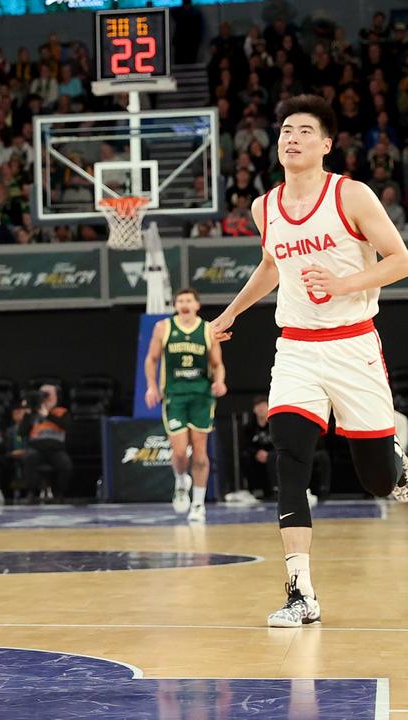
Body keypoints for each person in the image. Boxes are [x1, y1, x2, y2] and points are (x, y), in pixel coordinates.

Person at [209, 95, 408, 628]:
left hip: (353, 344)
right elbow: (272, 266)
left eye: (303, 131)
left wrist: (345, 282)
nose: (291, 138)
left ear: (325, 144)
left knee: (377, 481)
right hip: (295, 348)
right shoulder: (264, 207)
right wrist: (226, 315)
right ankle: (300, 591)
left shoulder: (352, 195)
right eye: (284, 131)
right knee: (289, 456)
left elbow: (400, 259)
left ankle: (398, 463)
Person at [143, 288, 228, 523]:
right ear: (176, 305)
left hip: (201, 396)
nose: (184, 303)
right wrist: (151, 386)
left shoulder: (207, 329)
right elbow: (151, 359)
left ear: (197, 305)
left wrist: (220, 382)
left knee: (200, 453)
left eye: (189, 300)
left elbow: (217, 363)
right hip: (174, 396)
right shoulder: (164, 327)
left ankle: (199, 504)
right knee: (180, 452)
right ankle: (181, 481)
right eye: (180, 300)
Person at [20, 386, 72, 501]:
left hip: (55, 449)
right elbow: (22, 432)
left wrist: (48, 415)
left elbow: (66, 425)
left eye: (48, 394)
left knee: (65, 464)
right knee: (29, 458)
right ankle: (31, 493)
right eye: (43, 395)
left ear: (56, 396)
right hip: (36, 448)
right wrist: (28, 414)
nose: (46, 398)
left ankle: (59, 494)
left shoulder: (61, 411)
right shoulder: (32, 414)